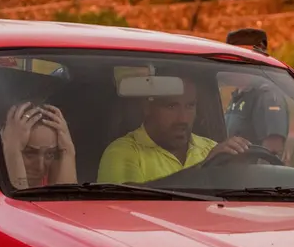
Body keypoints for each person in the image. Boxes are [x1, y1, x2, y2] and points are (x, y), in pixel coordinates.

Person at [97, 74, 252, 185]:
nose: (183, 119)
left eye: (190, 106)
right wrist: (202, 169)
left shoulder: (210, 149)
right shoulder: (123, 152)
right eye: (171, 106)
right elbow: (126, 211)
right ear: (147, 108)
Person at [223, 28, 289, 156]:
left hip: (253, 174)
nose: (229, 61)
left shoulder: (266, 95)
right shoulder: (239, 95)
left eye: (234, 56)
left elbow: (273, 148)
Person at [1, 102, 76, 189]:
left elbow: (64, 199)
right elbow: (18, 199)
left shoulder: (52, 177)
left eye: (49, 154)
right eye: (30, 153)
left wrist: (68, 152)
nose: (40, 167)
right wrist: (12, 151)